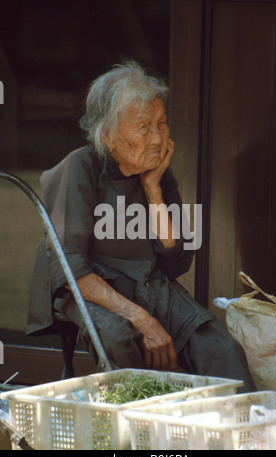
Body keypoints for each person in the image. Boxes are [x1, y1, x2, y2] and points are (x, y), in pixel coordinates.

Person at [27, 61, 256, 392]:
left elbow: (178, 262)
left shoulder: (159, 174)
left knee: (221, 349)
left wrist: (153, 189)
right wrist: (143, 319)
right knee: (125, 341)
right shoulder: (80, 168)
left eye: (161, 124)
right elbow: (72, 269)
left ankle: (238, 436)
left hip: (148, 282)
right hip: (89, 287)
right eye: (143, 126)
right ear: (108, 134)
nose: (157, 138)